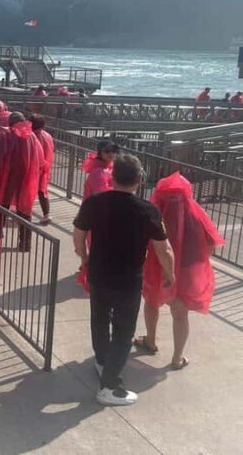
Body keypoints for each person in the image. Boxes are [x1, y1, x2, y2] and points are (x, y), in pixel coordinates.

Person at [73, 154, 175, 407]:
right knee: (123, 330)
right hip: (128, 279)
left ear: (112, 176)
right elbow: (164, 249)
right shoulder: (148, 210)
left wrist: (84, 257)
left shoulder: (95, 202)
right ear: (139, 179)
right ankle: (109, 385)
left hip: (98, 272)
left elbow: (78, 234)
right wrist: (169, 273)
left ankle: (102, 360)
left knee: (99, 318)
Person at [137, 172, 223, 370]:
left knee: (152, 303)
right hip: (186, 270)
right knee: (180, 314)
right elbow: (211, 242)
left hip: (157, 265)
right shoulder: (195, 213)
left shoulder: (154, 211)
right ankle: (177, 357)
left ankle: (150, 340)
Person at [0, 112, 42, 250]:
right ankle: (25, 242)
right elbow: (40, 159)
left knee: (1, 204)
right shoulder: (32, 136)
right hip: (27, 177)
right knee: (24, 209)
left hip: (8, 176)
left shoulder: (5, 134)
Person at [30, 114, 54, 225]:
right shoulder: (47, 135)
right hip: (45, 168)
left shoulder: (31, 136)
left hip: (33, 168)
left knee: (28, 191)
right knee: (42, 191)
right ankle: (47, 214)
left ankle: (25, 213)